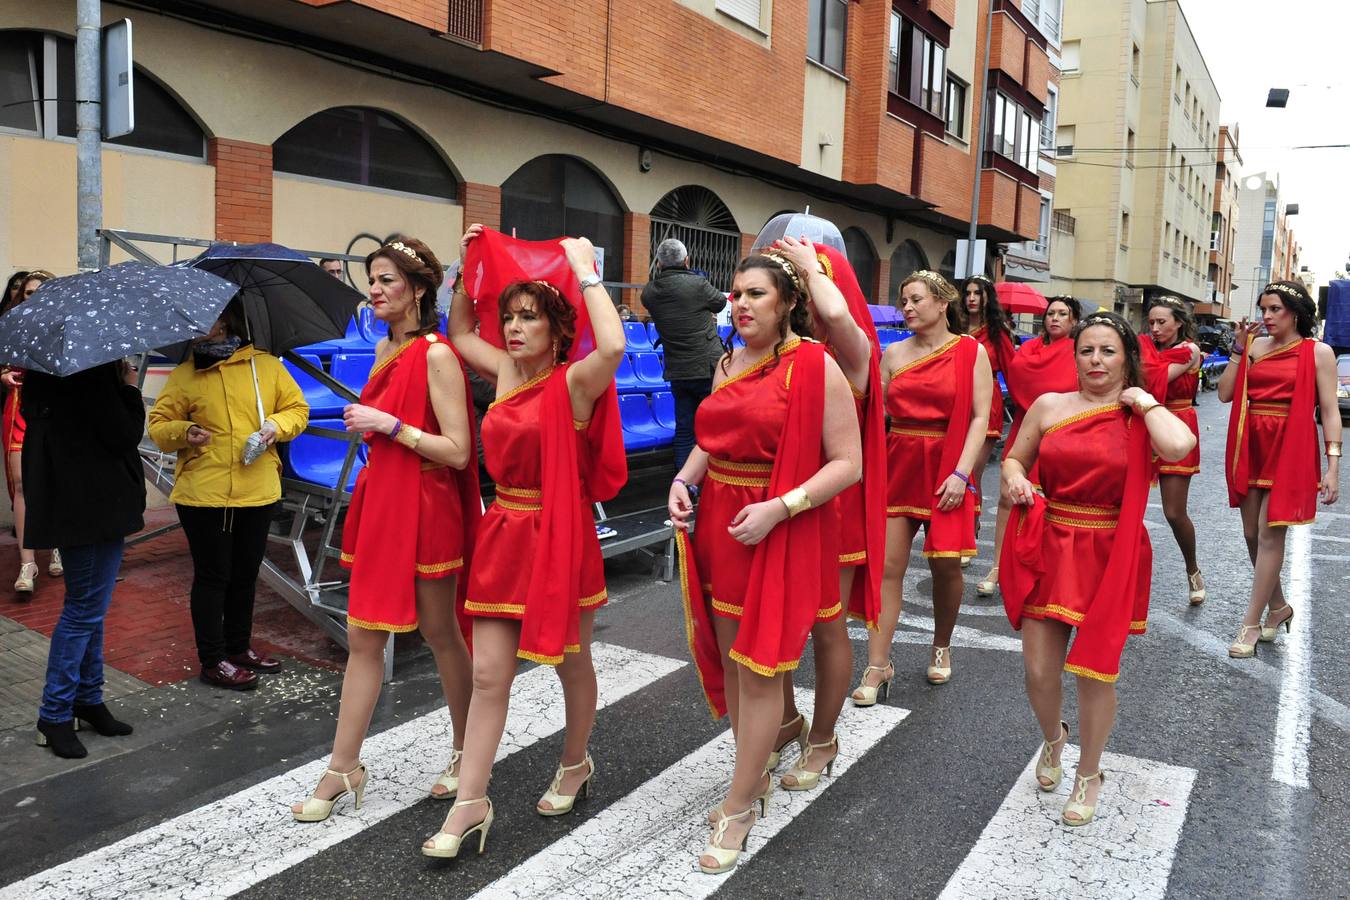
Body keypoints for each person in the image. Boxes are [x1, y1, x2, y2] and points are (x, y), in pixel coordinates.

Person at [424, 225, 626, 858]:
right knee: (489, 675)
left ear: (557, 329)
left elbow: (614, 344)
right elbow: (460, 332)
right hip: (504, 532)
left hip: (560, 536)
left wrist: (586, 270)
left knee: (571, 662)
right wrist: (466, 269)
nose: (512, 327)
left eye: (528, 317)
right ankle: (470, 804)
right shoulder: (508, 373)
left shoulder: (576, 382)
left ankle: (575, 761)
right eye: (509, 316)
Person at [670, 250, 860, 874]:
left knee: (758, 668)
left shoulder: (815, 364)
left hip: (782, 524)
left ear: (788, 303)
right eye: (736, 294)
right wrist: (685, 479)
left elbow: (848, 464)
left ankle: (741, 804)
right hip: (723, 526)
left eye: (756, 293)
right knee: (736, 664)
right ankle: (756, 767)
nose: (741, 304)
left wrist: (780, 508)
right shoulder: (727, 362)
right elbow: (713, 438)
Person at [291, 236, 481, 822]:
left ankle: (466, 749)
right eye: (371, 280)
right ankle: (342, 767)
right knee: (364, 636)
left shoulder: (437, 354)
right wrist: (376, 424)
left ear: (418, 290)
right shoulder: (381, 348)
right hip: (381, 502)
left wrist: (389, 424)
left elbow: (458, 450)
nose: (373, 290)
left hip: (426, 504)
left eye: (386, 280)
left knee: (440, 631)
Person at [1000, 312, 1194, 826]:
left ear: (1127, 359)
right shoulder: (1049, 405)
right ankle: (1053, 738)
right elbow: (1014, 459)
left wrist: (1145, 401)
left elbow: (1180, 446)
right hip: (1050, 543)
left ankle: (1089, 772)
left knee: (1094, 671)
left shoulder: (1138, 414)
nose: (1096, 360)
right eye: (1086, 350)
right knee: (1038, 670)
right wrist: (1017, 479)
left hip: (1111, 551)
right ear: (1075, 356)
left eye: (1108, 351)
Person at [751, 238, 883, 791]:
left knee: (826, 629)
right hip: (777, 508)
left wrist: (811, 267)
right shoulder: (777, 353)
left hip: (833, 509)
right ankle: (784, 720)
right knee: (772, 622)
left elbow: (836, 315)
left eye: (808, 286)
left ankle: (824, 738)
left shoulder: (850, 355)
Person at [148, 298, 310, 690]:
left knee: (245, 575)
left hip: (258, 489)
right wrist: (185, 431)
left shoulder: (265, 366)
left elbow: (298, 410)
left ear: (225, 321)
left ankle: (238, 647)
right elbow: (158, 426)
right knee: (212, 576)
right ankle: (213, 660)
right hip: (203, 494)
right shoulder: (186, 374)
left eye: (204, 315)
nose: (196, 323)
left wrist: (274, 426)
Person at [852, 271, 991, 699]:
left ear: (942, 303)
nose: (907, 307)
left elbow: (980, 418)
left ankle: (941, 645)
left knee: (945, 566)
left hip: (948, 466)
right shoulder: (893, 353)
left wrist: (962, 474)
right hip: (899, 463)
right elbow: (875, 414)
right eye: (904, 300)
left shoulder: (971, 352)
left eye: (916, 299)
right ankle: (878, 665)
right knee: (886, 567)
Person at [25, 360, 147, 758]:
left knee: (90, 608)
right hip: (93, 504)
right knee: (82, 613)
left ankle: (87, 699)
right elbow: (124, 435)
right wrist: (129, 387)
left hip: (75, 501)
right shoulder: (90, 372)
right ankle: (54, 714)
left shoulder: (46, 370)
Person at [1218, 281, 1341, 658]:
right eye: (1264, 309)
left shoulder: (1318, 352)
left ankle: (1250, 624)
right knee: (1251, 534)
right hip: (1252, 445)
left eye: (1275, 309)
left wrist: (1333, 466)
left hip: (1291, 447)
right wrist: (1238, 349)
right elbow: (1225, 394)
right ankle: (1279, 606)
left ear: (1296, 313)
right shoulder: (1254, 347)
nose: (1267, 316)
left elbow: (1329, 411)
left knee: (1270, 535)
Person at [976, 296, 1081, 597]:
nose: (1055, 318)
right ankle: (997, 567)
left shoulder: (1078, 349)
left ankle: (1049, 571)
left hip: (1063, 429)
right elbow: (1020, 380)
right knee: (1007, 498)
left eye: (1062, 314)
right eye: (1051, 313)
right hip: (1026, 425)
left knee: (1052, 504)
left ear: (1074, 321)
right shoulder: (1030, 348)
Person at [641, 238, 728, 469]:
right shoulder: (698, 284)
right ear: (686, 260)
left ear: (658, 264)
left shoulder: (649, 293)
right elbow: (720, 302)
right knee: (711, 426)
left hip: (678, 370)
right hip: (707, 367)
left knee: (684, 429)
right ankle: (710, 477)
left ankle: (683, 481)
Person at [1145, 297, 1206, 605]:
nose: (1155, 328)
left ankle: (1192, 570)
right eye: (1151, 323)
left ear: (1179, 323)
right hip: (1144, 423)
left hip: (1176, 426)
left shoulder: (1189, 350)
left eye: (1162, 322)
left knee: (1173, 511)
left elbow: (1154, 378)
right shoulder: (1148, 351)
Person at [3, 270, 61, 593]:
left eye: (41, 291)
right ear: (20, 296)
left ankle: (57, 545)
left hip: (55, 412)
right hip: (20, 409)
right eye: (28, 292)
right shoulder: (9, 325)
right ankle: (27, 563)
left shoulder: (63, 326)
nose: (34, 297)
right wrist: (2, 376)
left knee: (54, 481)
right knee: (23, 485)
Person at [962, 275, 1017, 568]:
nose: (972, 298)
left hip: (987, 405)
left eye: (978, 293)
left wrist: (1027, 412)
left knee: (970, 472)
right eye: (968, 293)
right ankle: (958, 531)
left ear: (987, 298)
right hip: (955, 404)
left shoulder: (997, 333)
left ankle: (969, 533)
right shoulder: (954, 327)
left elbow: (1014, 371)